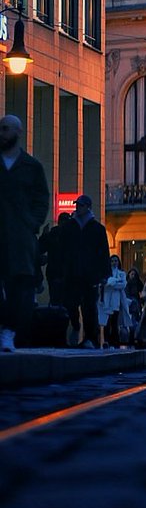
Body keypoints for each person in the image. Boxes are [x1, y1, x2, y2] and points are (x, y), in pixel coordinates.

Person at [0, 114, 50, 352]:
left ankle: (9, 331)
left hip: (20, 236)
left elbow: (42, 198)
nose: (2, 133)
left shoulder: (31, 166)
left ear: (18, 132)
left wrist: (32, 223)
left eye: (6, 129)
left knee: (17, 285)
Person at [63, 194, 111, 350]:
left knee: (89, 307)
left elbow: (104, 252)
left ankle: (91, 338)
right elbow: (65, 250)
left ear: (88, 207)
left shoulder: (97, 228)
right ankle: (76, 328)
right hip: (73, 272)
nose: (78, 207)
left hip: (91, 274)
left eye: (81, 205)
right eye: (77, 205)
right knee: (71, 304)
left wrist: (105, 274)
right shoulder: (70, 227)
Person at [40, 213, 72, 310]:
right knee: (66, 303)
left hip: (54, 272)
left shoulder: (53, 234)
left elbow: (41, 248)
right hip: (64, 273)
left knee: (56, 301)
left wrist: (44, 236)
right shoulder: (69, 235)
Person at [97, 254, 130, 348]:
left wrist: (111, 283)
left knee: (114, 322)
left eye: (116, 261)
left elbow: (122, 285)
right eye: (112, 261)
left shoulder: (121, 273)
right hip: (106, 300)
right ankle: (106, 341)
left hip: (116, 300)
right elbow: (104, 284)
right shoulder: (106, 273)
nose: (114, 263)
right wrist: (115, 282)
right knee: (106, 322)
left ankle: (115, 342)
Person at [125, 267, 144, 346]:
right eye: (131, 274)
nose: (133, 276)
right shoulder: (127, 283)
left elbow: (142, 292)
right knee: (131, 323)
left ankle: (135, 339)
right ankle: (131, 339)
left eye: (134, 274)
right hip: (129, 304)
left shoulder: (138, 283)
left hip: (136, 305)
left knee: (136, 322)